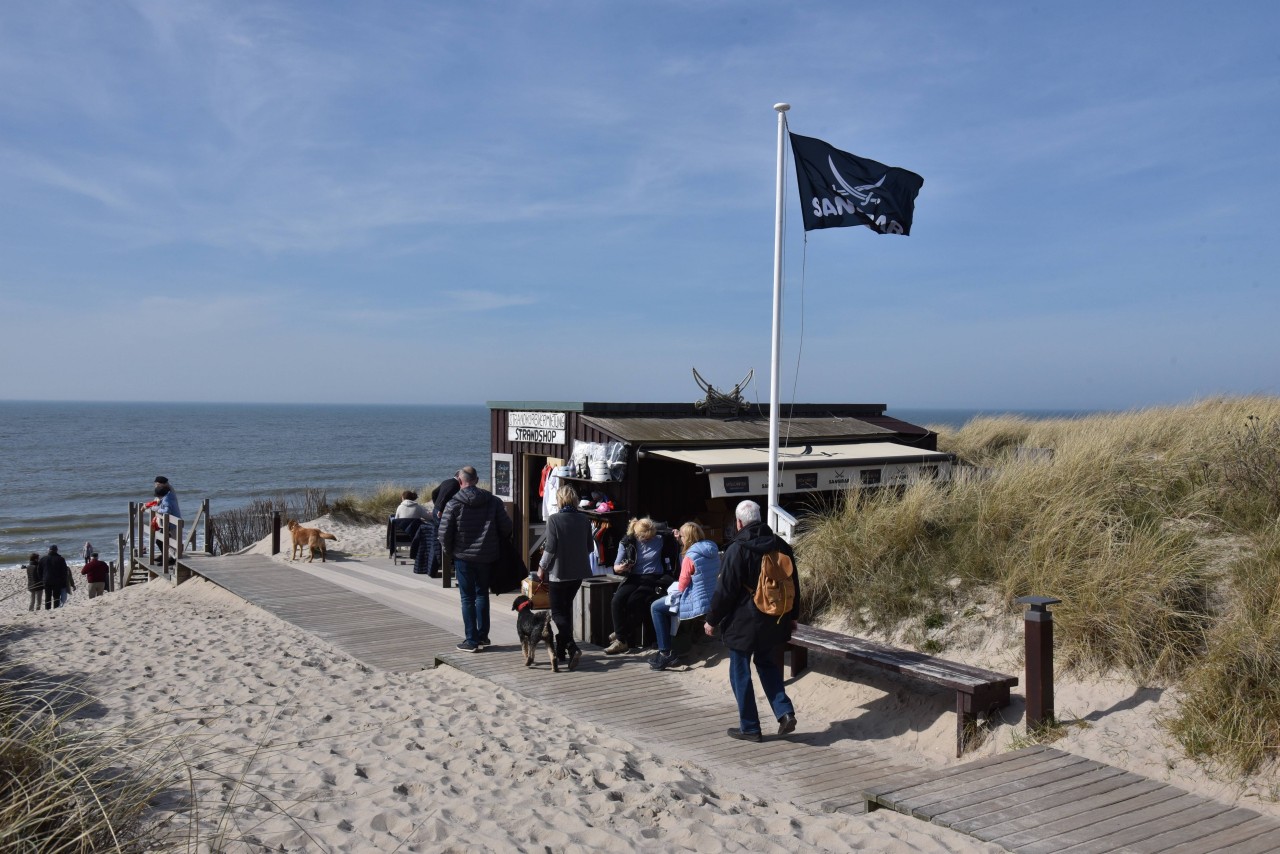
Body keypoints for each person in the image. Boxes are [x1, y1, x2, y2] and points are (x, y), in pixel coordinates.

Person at [703, 500, 799, 742]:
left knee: (740, 673)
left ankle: (750, 727)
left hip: (744, 622)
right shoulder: (781, 546)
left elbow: (725, 590)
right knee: (768, 666)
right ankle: (784, 712)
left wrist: (712, 620)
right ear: (760, 518)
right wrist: (794, 615)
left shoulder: (738, 548)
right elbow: (794, 585)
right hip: (775, 619)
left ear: (738, 523)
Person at [438, 466, 512, 652]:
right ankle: (483, 636)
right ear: (477, 480)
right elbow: (506, 527)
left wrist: (449, 552)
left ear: (460, 481)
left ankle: (471, 640)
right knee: (482, 595)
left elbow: (444, 532)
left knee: (467, 598)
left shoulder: (453, 503)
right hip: (487, 555)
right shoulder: (493, 501)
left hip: (463, 556)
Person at [649, 522, 722, 671]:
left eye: (681, 536)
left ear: (686, 538)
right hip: (711, 597)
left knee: (656, 607)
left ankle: (665, 652)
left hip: (696, 600)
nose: (679, 539)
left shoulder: (690, 556)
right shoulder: (712, 549)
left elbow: (682, 584)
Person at [537, 483, 592, 670]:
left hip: (559, 573)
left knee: (558, 612)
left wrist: (541, 567)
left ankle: (571, 646)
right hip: (578, 573)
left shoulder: (554, 520)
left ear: (559, 500)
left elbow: (550, 548)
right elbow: (590, 547)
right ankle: (561, 651)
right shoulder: (584, 519)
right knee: (566, 609)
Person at [603, 517, 677, 655]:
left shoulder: (661, 538)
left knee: (634, 602)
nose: (649, 539)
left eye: (651, 536)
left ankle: (621, 637)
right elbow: (616, 567)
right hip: (634, 576)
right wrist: (623, 567)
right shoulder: (627, 542)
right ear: (637, 535)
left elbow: (671, 532)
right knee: (616, 601)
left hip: (654, 577)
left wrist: (676, 533)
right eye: (645, 538)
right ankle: (621, 636)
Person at [39, 544, 74, 609]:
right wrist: (63, 581)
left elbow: (39, 571)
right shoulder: (60, 559)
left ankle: (47, 609)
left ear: (49, 550)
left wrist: (42, 579)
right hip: (57, 581)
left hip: (46, 580)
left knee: (48, 596)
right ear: (56, 550)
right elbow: (64, 571)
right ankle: (56, 608)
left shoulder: (43, 559)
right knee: (56, 596)